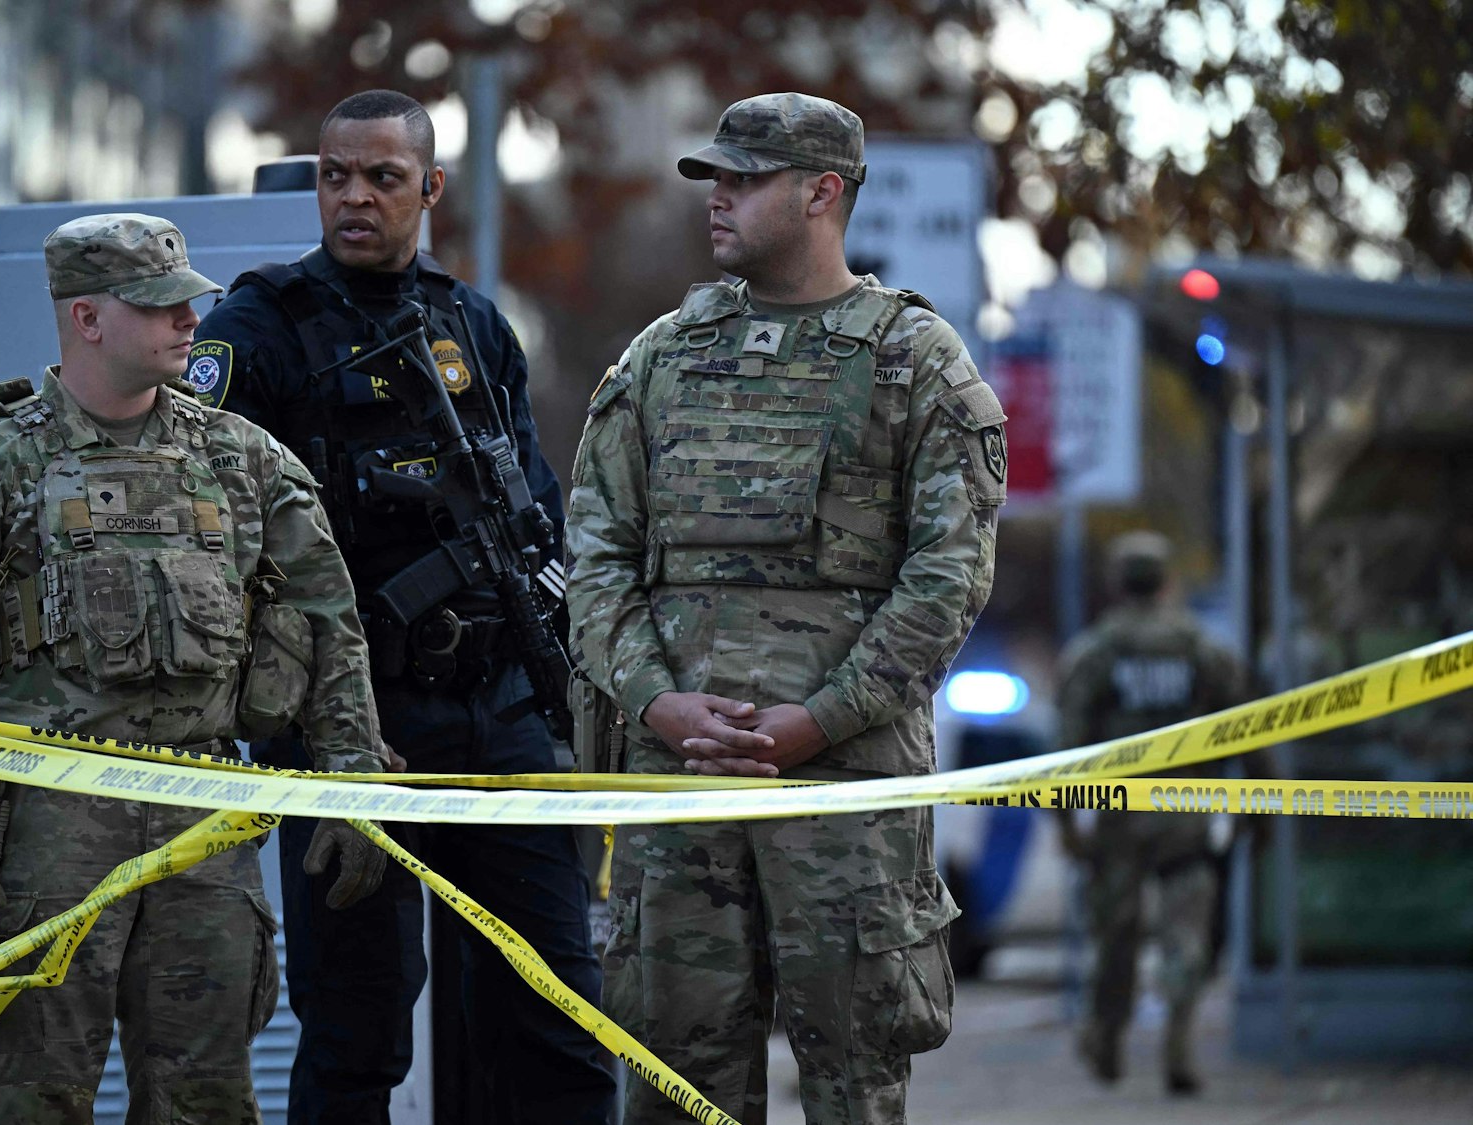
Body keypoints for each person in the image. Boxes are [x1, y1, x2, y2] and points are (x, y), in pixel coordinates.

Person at [0, 213, 391, 1125]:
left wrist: (353, 779)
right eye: (158, 308)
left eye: (189, 304)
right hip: (45, 830)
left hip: (203, 818)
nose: (187, 323)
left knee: (204, 1100)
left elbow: (329, 622)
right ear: (86, 319)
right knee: (31, 1095)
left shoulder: (245, 462)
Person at [568, 92, 1008, 1123]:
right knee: (673, 1084)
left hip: (842, 794)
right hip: (678, 790)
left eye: (742, 179)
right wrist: (656, 703)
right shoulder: (661, 358)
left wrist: (822, 719)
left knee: (854, 1082)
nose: (715, 200)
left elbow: (947, 577)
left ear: (822, 193)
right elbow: (594, 555)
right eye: (712, 179)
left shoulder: (914, 362)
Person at [190, 90, 616, 1124]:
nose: (354, 197)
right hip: (350, 727)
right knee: (354, 1032)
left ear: (428, 189)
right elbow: (205, 516)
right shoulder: (260, 325)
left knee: (556, 1010)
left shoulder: (470, 324)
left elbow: (536, 508)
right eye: (336, 175)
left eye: (382, 177)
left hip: (496, 714)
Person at [1055, 530, 1248, 1095]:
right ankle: (1179, 1043)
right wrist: (1256, 807)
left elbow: (1068, 745)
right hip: (1187, 814)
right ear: (1167, 581)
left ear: (1117, 584)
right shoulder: (1202, 648)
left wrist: (1067, 823)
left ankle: (1106, 1035)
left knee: (1116, 932)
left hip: (1117, 819)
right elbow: (1249, 729)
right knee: (1185, 932)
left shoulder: (1095, 651)